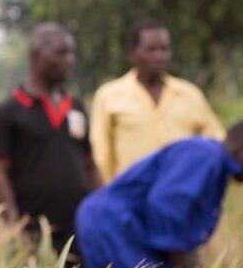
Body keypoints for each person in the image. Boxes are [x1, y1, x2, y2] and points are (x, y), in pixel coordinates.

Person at [75, 120, 243, 268]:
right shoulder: (206, 155)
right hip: (114, 224)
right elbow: (167, 205)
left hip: (119, 225)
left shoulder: (214, 163)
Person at [0, 24, 103, 268]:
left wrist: (104, 211)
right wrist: (16, 227)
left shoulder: (76, 107)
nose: (69, 60)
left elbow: (90, 165)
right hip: (35, 233)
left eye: (72, 53)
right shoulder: (9, 112)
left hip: (80, 228)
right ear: (37, 54)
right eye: (61, 53)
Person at [90, 20, 226, 181]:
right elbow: (101, 154)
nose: (159, 56)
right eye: (151, 50)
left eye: (164, 49)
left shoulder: (189, 95)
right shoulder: (110, 96)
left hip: (180, 194)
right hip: (131, 196)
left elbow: (215, 143)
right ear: (132, 53)